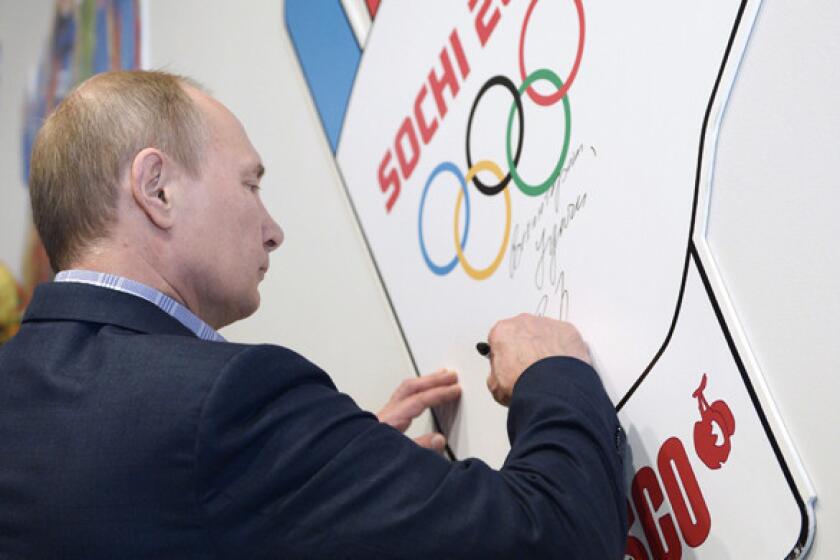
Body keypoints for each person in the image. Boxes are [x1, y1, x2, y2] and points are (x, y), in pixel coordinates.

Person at [0, 71, 627, 559]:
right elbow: (552, 541)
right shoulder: (222, 407)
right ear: (157, 188)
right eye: (250, 185)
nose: (273, 231)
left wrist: (321, 466)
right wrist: (553, 376)